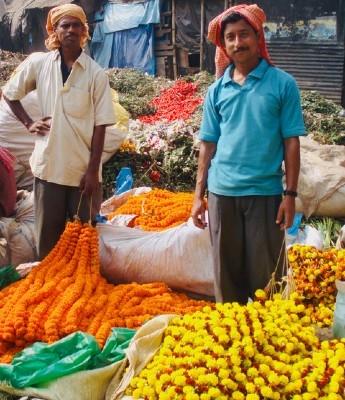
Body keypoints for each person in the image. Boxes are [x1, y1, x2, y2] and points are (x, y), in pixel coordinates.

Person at [191, 4, 306, 304]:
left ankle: (270, 341)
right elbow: (208, 144)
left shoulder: (283, 85)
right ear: (224, 44)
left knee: (268, 280)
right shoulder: (217, 91)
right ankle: (233, 341)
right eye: (230, 37)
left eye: (244, 35)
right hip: (221, 194)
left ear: (258, 38)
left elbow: (291, 142)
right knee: (227, 280)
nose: (237, 43)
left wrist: (290, 195)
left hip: (265, 195)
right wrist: (197, 196)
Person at [2, 4, 116, 260]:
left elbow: (101, 125)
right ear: (55, 31)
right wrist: (28, 122)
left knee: (82, 240)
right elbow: (10, 93)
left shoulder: (96, 74)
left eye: (77, 25)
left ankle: (79, 286)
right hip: (49, 168)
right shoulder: (39, 64)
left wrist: (92, 171)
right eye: (65, 25)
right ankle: (50, 288)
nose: (71, 30)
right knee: (48, 242)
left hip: (81, 172)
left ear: (84, 31)